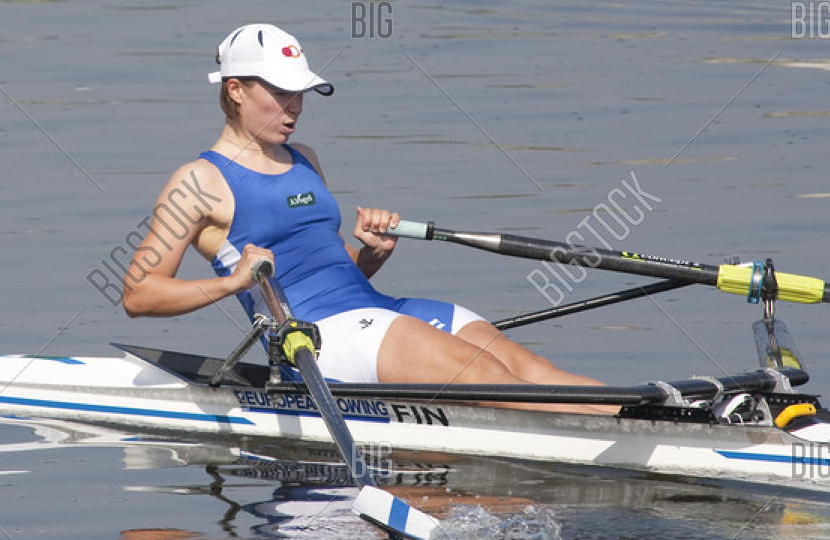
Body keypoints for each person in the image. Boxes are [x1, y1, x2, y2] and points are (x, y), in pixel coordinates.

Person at [121, 22, 611, 412]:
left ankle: (654, 422)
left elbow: (326, 270)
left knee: (532, 371)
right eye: (281, 93)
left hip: (373, 308)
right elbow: (139, 294)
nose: (295, 107)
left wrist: (371, 256)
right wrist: (232, 284)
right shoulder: (198, 181)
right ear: (235, 90)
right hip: (316, 339)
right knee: (493, 381)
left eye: (301, 94)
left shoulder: (305, 157)